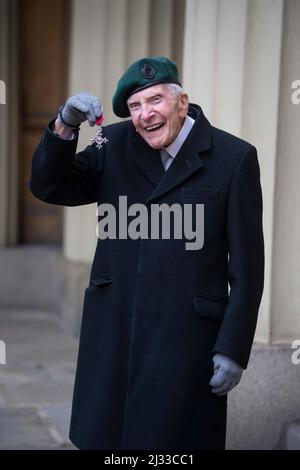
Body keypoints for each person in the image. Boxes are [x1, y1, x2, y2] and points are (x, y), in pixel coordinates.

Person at [30, 56, 264, 450]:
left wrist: (233, 348)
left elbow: (248, 267)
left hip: (185, 342)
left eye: (154, 101)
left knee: (175, 446)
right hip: (115, 330)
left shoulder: (233, 158)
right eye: (135, 106)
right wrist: (65, 125)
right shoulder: (114, 142)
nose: (145, 115)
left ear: (182, 102)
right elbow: (51, 187)